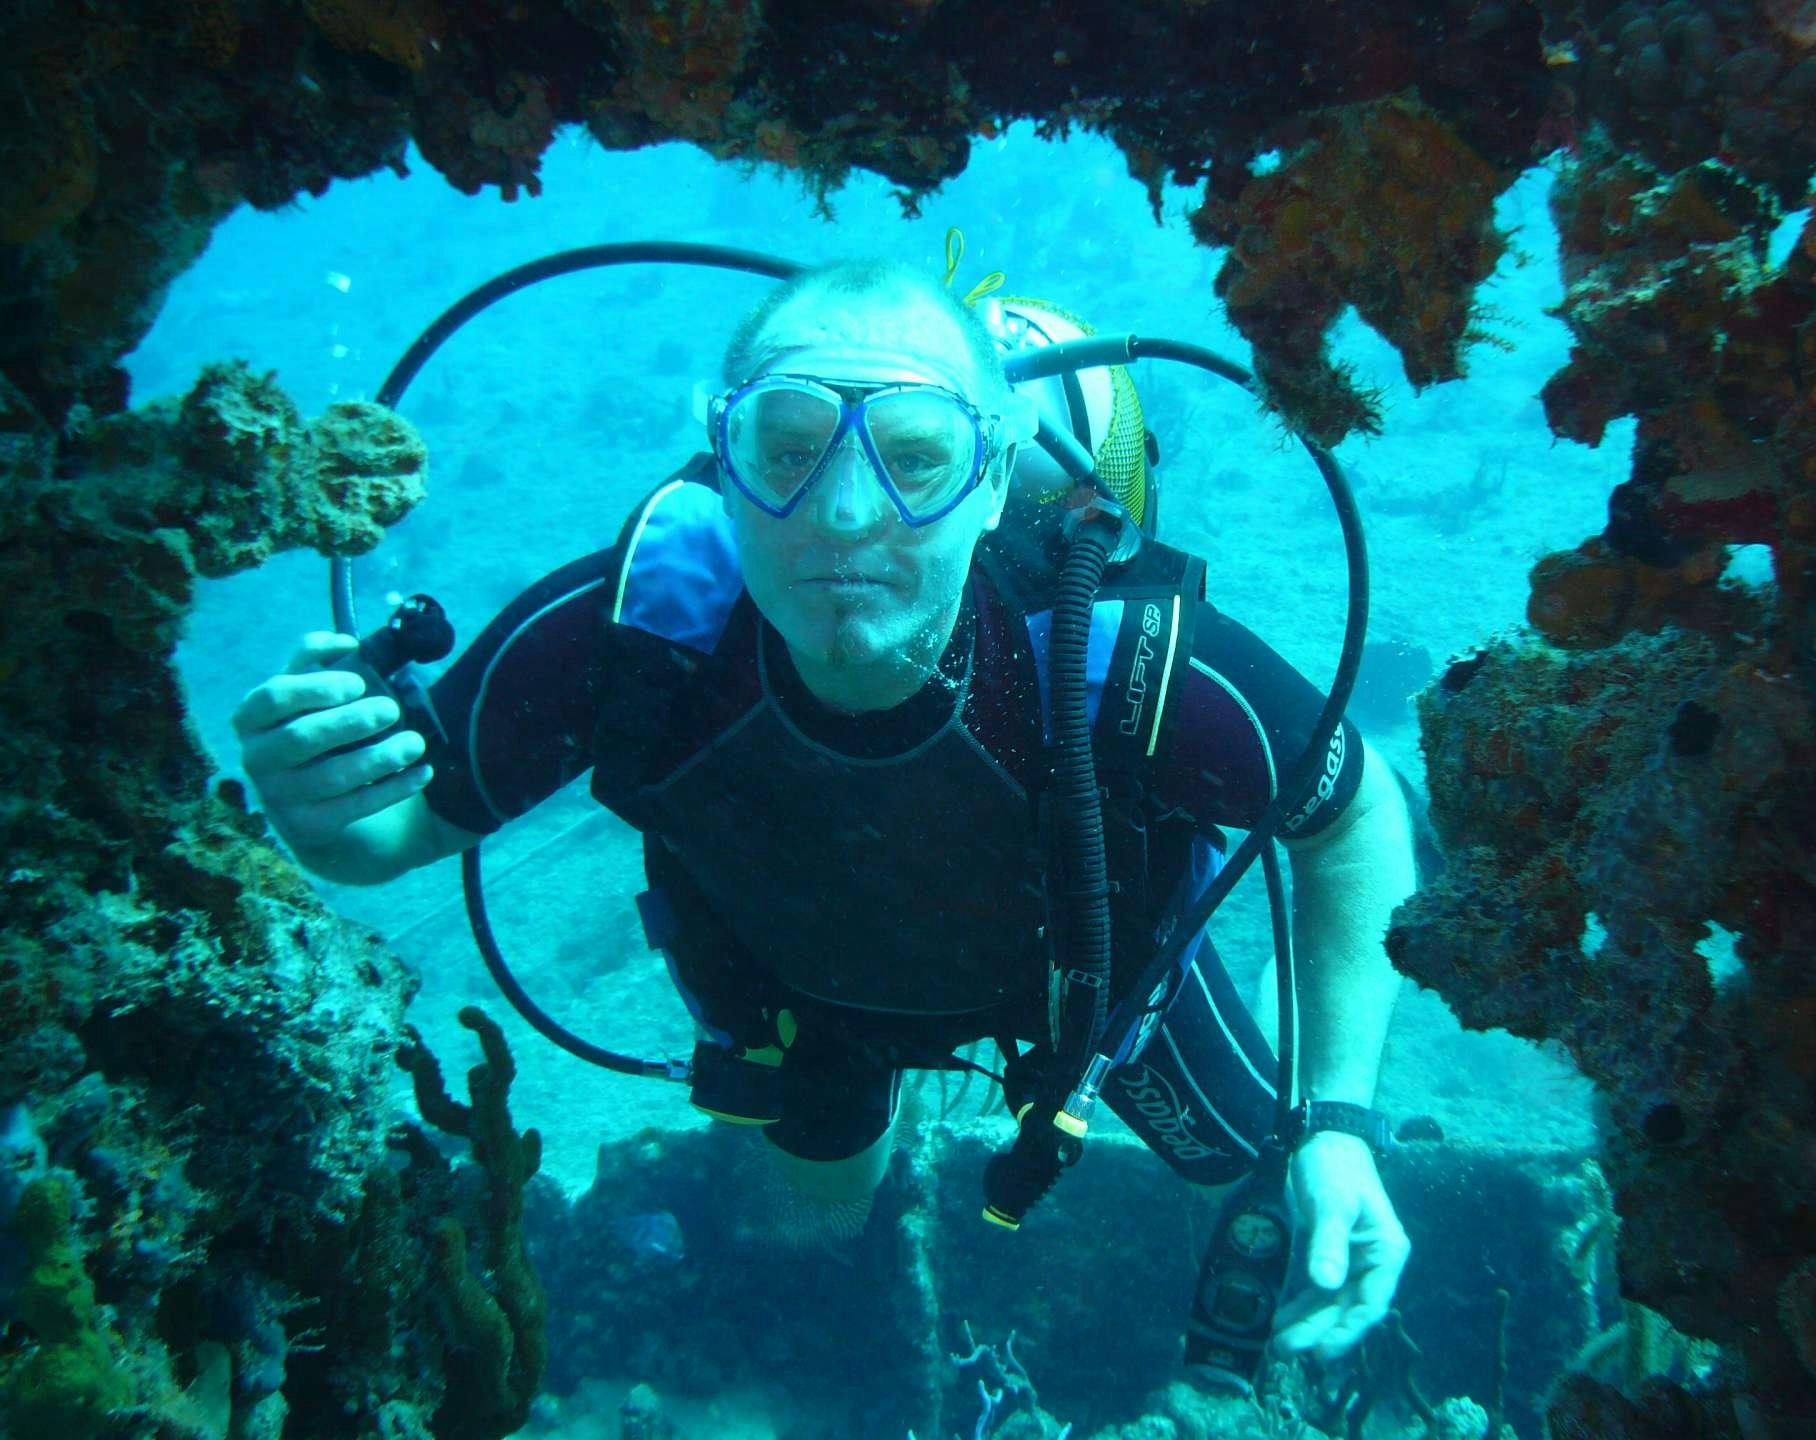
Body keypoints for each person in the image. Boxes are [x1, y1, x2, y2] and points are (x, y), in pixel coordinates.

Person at [232, 259, 1418, 1379]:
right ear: (723, 459)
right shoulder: (639, 632)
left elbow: (1353, 819)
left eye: (914, 457)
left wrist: (1341, 1120)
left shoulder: (1115, 657)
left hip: (1088, 985)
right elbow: (390, 840)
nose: (845, 514)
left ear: (994, 478)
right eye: (789, 448)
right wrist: (320, 811)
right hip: (802, 1002)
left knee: (1265, 1168)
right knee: (822, 1210)